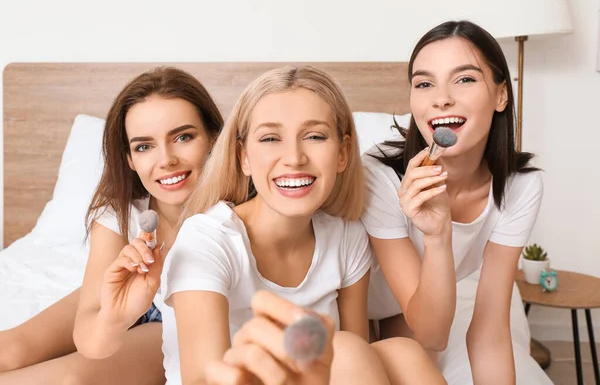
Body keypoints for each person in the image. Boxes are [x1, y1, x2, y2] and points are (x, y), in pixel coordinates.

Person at [157, 65, 446, 385]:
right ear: (244, 158)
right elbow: (203, 379)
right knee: (346, 349)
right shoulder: (208, 239)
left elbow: (357, 367)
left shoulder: (346, 237)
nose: (294, 157)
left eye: (314, 136)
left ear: (343, 154)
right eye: (270, 138)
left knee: (402, 354)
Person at [0, 66, 224, 385]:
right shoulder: (122, 215)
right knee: (9, 351)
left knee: (70, 379)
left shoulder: (239, 214)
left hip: (173, 319)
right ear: (130, 159)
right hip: (120, 302)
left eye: (183, 137)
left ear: (214, 137)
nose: (166, 160)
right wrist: (115, 316)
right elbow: (89, 336)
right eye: (144, 146)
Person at [362, 20, 550, 385]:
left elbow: (488, 330)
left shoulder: (520, 186)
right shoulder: (380, 174)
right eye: (424, 83)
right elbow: (431, 333)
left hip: (418, 310)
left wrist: (439, 235)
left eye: (464, 79)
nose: (441, 98)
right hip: (357, 309)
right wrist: (436, 236)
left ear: (501, 95)